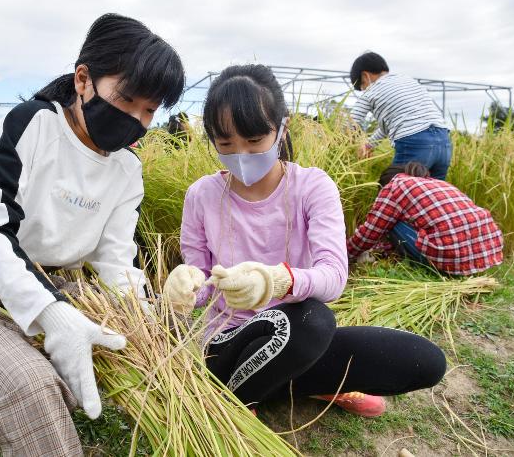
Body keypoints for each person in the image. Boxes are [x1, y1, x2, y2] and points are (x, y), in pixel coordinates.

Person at [0, 13, 184, 456]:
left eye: (149, 110)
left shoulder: (127, 169)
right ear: (83, 79)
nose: (136, 119)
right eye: (127, 99)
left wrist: (145, 328)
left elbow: (115, 260)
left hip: (67, 289)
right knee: (32, 388)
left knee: (170, 336)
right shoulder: (33, 124)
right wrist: (51, 315)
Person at [163, 64, 446, 419]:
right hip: (229, 342)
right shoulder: (202, 195)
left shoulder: (312, 186)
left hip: (299, 333)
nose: (241, 155)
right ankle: (240, 399)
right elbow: (202, 280)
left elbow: (333, 277)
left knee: (422, 361)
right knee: (311, 323)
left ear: (281, 130)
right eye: (225, 144)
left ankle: (281, 382)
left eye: (254, 142)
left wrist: (277, 281)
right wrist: (185, 286)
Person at [347, 161, 503, 275]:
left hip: (450, 260)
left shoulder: (395, 186)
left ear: (383, 185)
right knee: (405, 219)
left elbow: (371, 231)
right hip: (481, 257)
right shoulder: (438, 183)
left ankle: (441, 268)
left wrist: (345, 254)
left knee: (389, 221)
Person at [349, 52, 452, 181]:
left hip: (415, 143)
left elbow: (351, 124)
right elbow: (390, 126)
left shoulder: (372, 91)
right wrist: (370, 145)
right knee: (433, 195)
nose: (364, 90)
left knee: (394, 192)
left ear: (365, 75)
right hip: (444, 142)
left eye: (362, 86)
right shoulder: (407, 81)